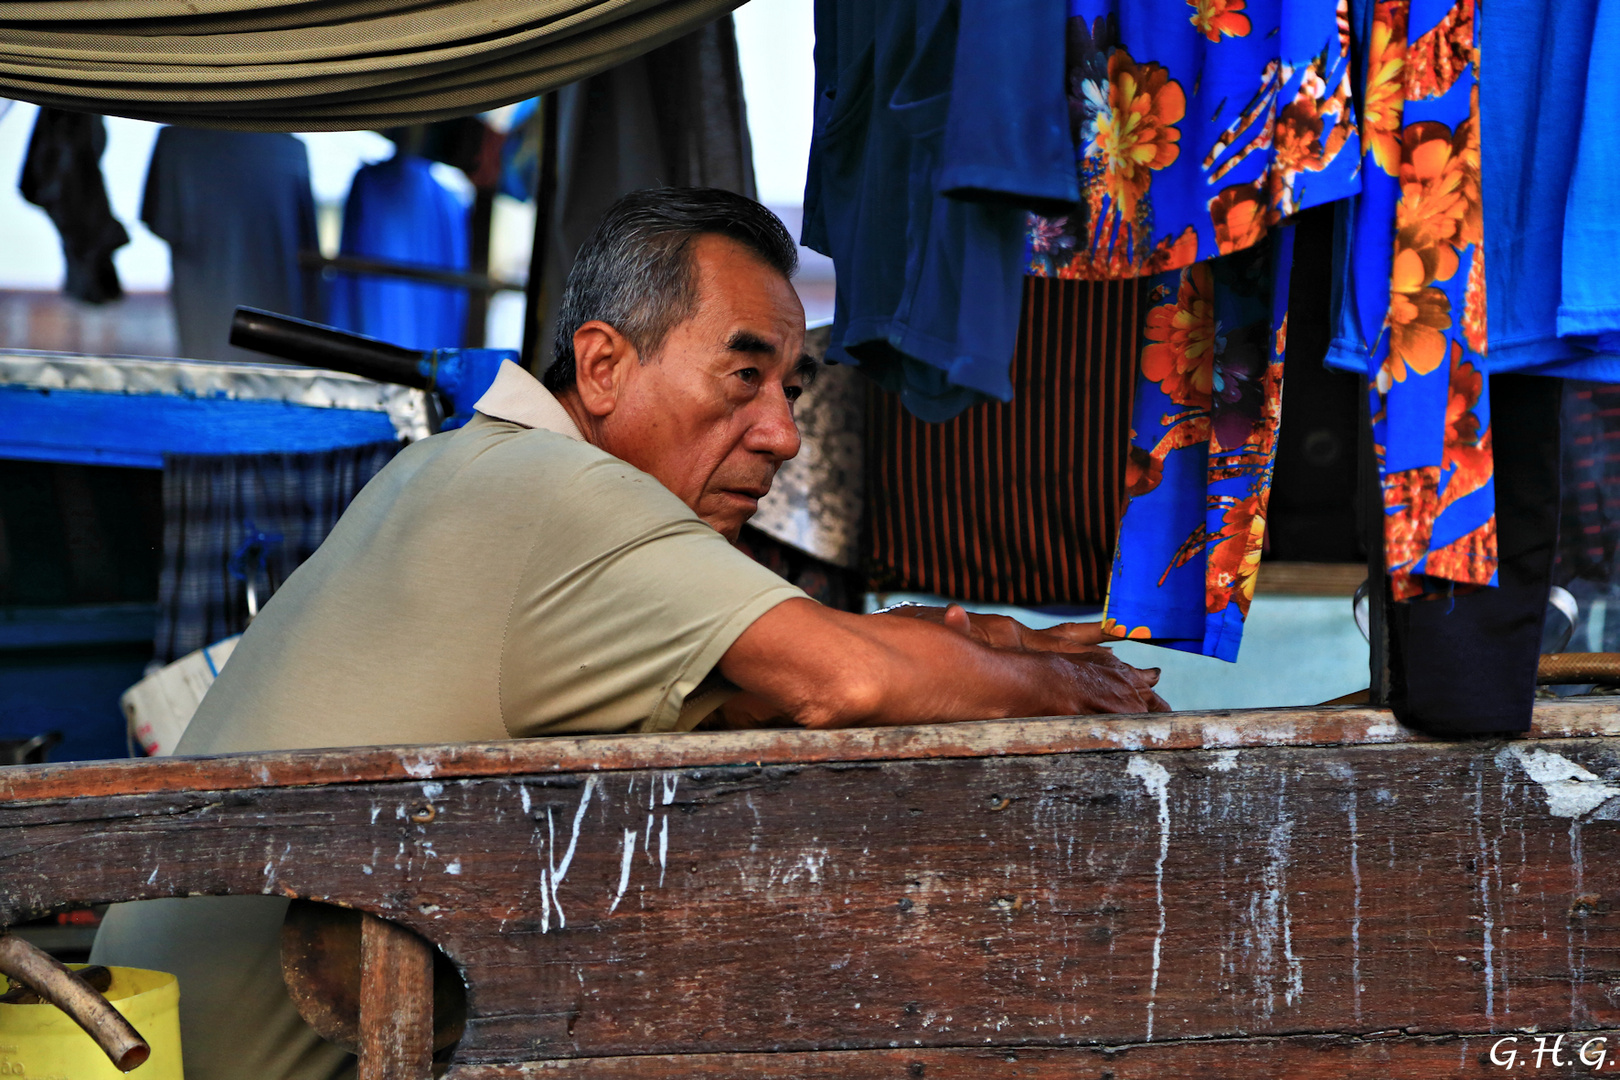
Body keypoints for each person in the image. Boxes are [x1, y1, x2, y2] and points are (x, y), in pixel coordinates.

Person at [91, 187, 1167, 1080]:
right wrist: (1085, 693)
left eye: (791, 387)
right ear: (601, 367)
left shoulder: (481, 469)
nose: (785, 432)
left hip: (151, 1034)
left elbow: (795, 670)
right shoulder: (561, 491)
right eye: (745, 376)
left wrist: (990, 653)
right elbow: (838, 679)